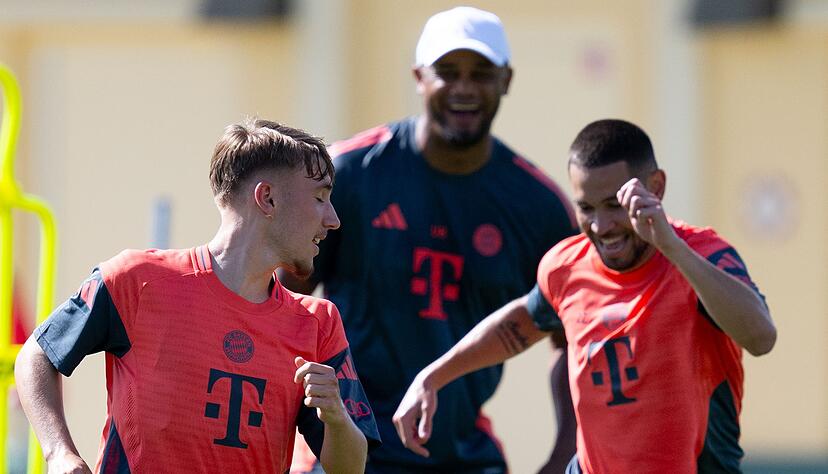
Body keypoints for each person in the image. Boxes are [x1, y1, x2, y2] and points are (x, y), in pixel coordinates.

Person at [281, 6, 577, 474]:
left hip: (462, 452)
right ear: (420, 76)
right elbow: (282, 302)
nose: (463, 88)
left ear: (507, 80)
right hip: (348, 448)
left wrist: (564, 455)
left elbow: (575, 336)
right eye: (447, 72)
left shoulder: (538, 206)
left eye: (481, 73)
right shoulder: (351, 173)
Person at [394, 119, 777, 474]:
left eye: (614, 205)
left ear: (655, 187)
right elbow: (524, 320)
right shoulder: (565, 266)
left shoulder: (702, 255)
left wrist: (672, 247)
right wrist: (432, 377)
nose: (601, 225)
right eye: (586, 208)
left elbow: (761, 337)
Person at [14, 119, 381, 473]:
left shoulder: (319, 322)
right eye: (320, 198)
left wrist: (335, 415)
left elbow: (349, 467)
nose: (333, 219)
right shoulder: (135, 279)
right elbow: (38, 354)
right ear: (266, 198)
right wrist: (59, 453)